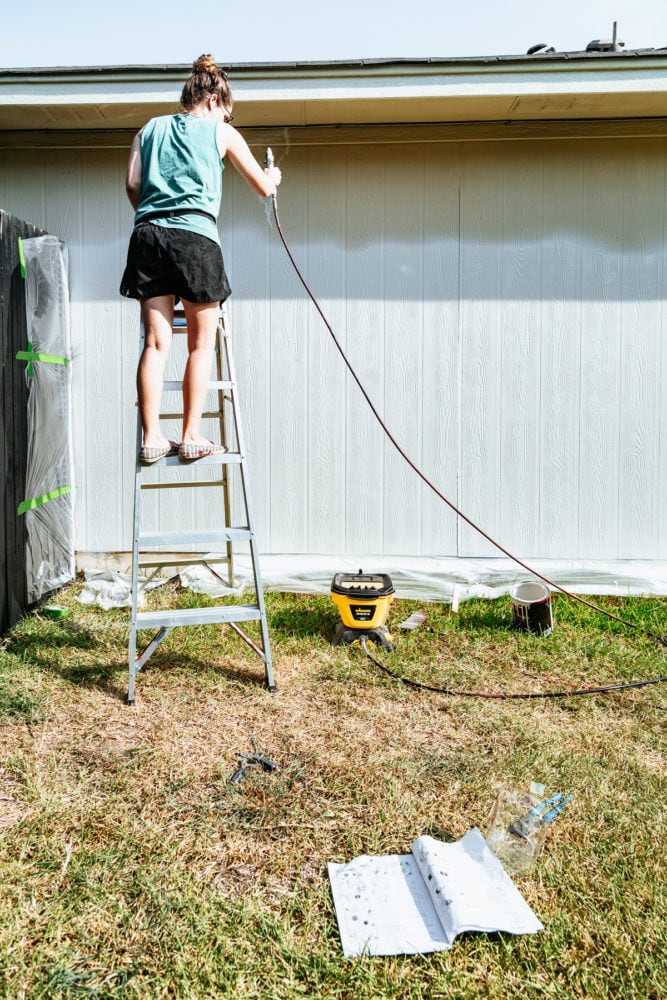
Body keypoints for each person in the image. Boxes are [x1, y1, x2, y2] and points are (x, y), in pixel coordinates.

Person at [120, 54, 281, 462]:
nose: (226, 121)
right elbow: (263, 187)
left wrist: (157, 210)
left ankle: (152, 437)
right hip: (196, 240)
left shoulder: (149, 130)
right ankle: (192, 434)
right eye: (226, 114)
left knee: (156, 344)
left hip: (148, 237)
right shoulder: (220, 133)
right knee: (199, 343)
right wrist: (275, 178)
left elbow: (133, 184)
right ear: (212, 100)